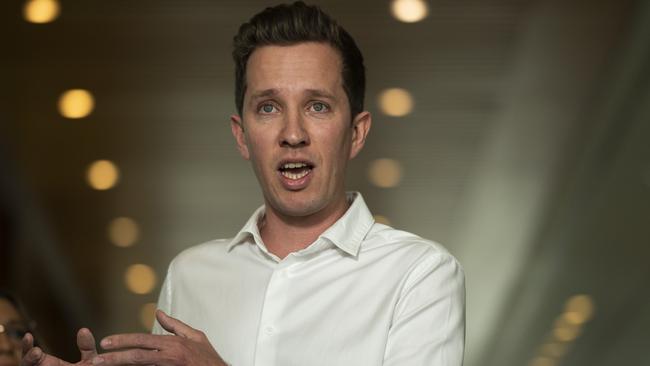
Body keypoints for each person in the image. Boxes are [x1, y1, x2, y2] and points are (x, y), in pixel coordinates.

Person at [22, 2, 465, 365]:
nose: (293, 133)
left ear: (356, 133)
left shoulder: (419, 275)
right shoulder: (189, 276)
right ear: (241, 135)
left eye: (318, 106)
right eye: (268, 108)